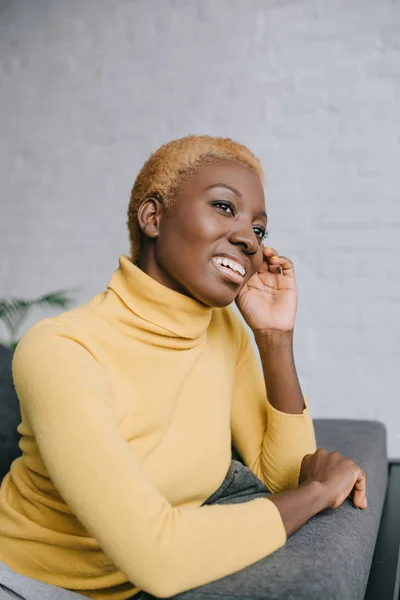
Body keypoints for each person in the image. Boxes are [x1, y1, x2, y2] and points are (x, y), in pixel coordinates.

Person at [0, 135, 367, 600]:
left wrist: (275, 339)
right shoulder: (62, 349)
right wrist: (319, 493)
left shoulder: (223, 332)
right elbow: (160, 558)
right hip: (32, 585)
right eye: (223, 207)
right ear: (153, 217)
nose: (248, 240)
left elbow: (285, 475)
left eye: (260, 229)